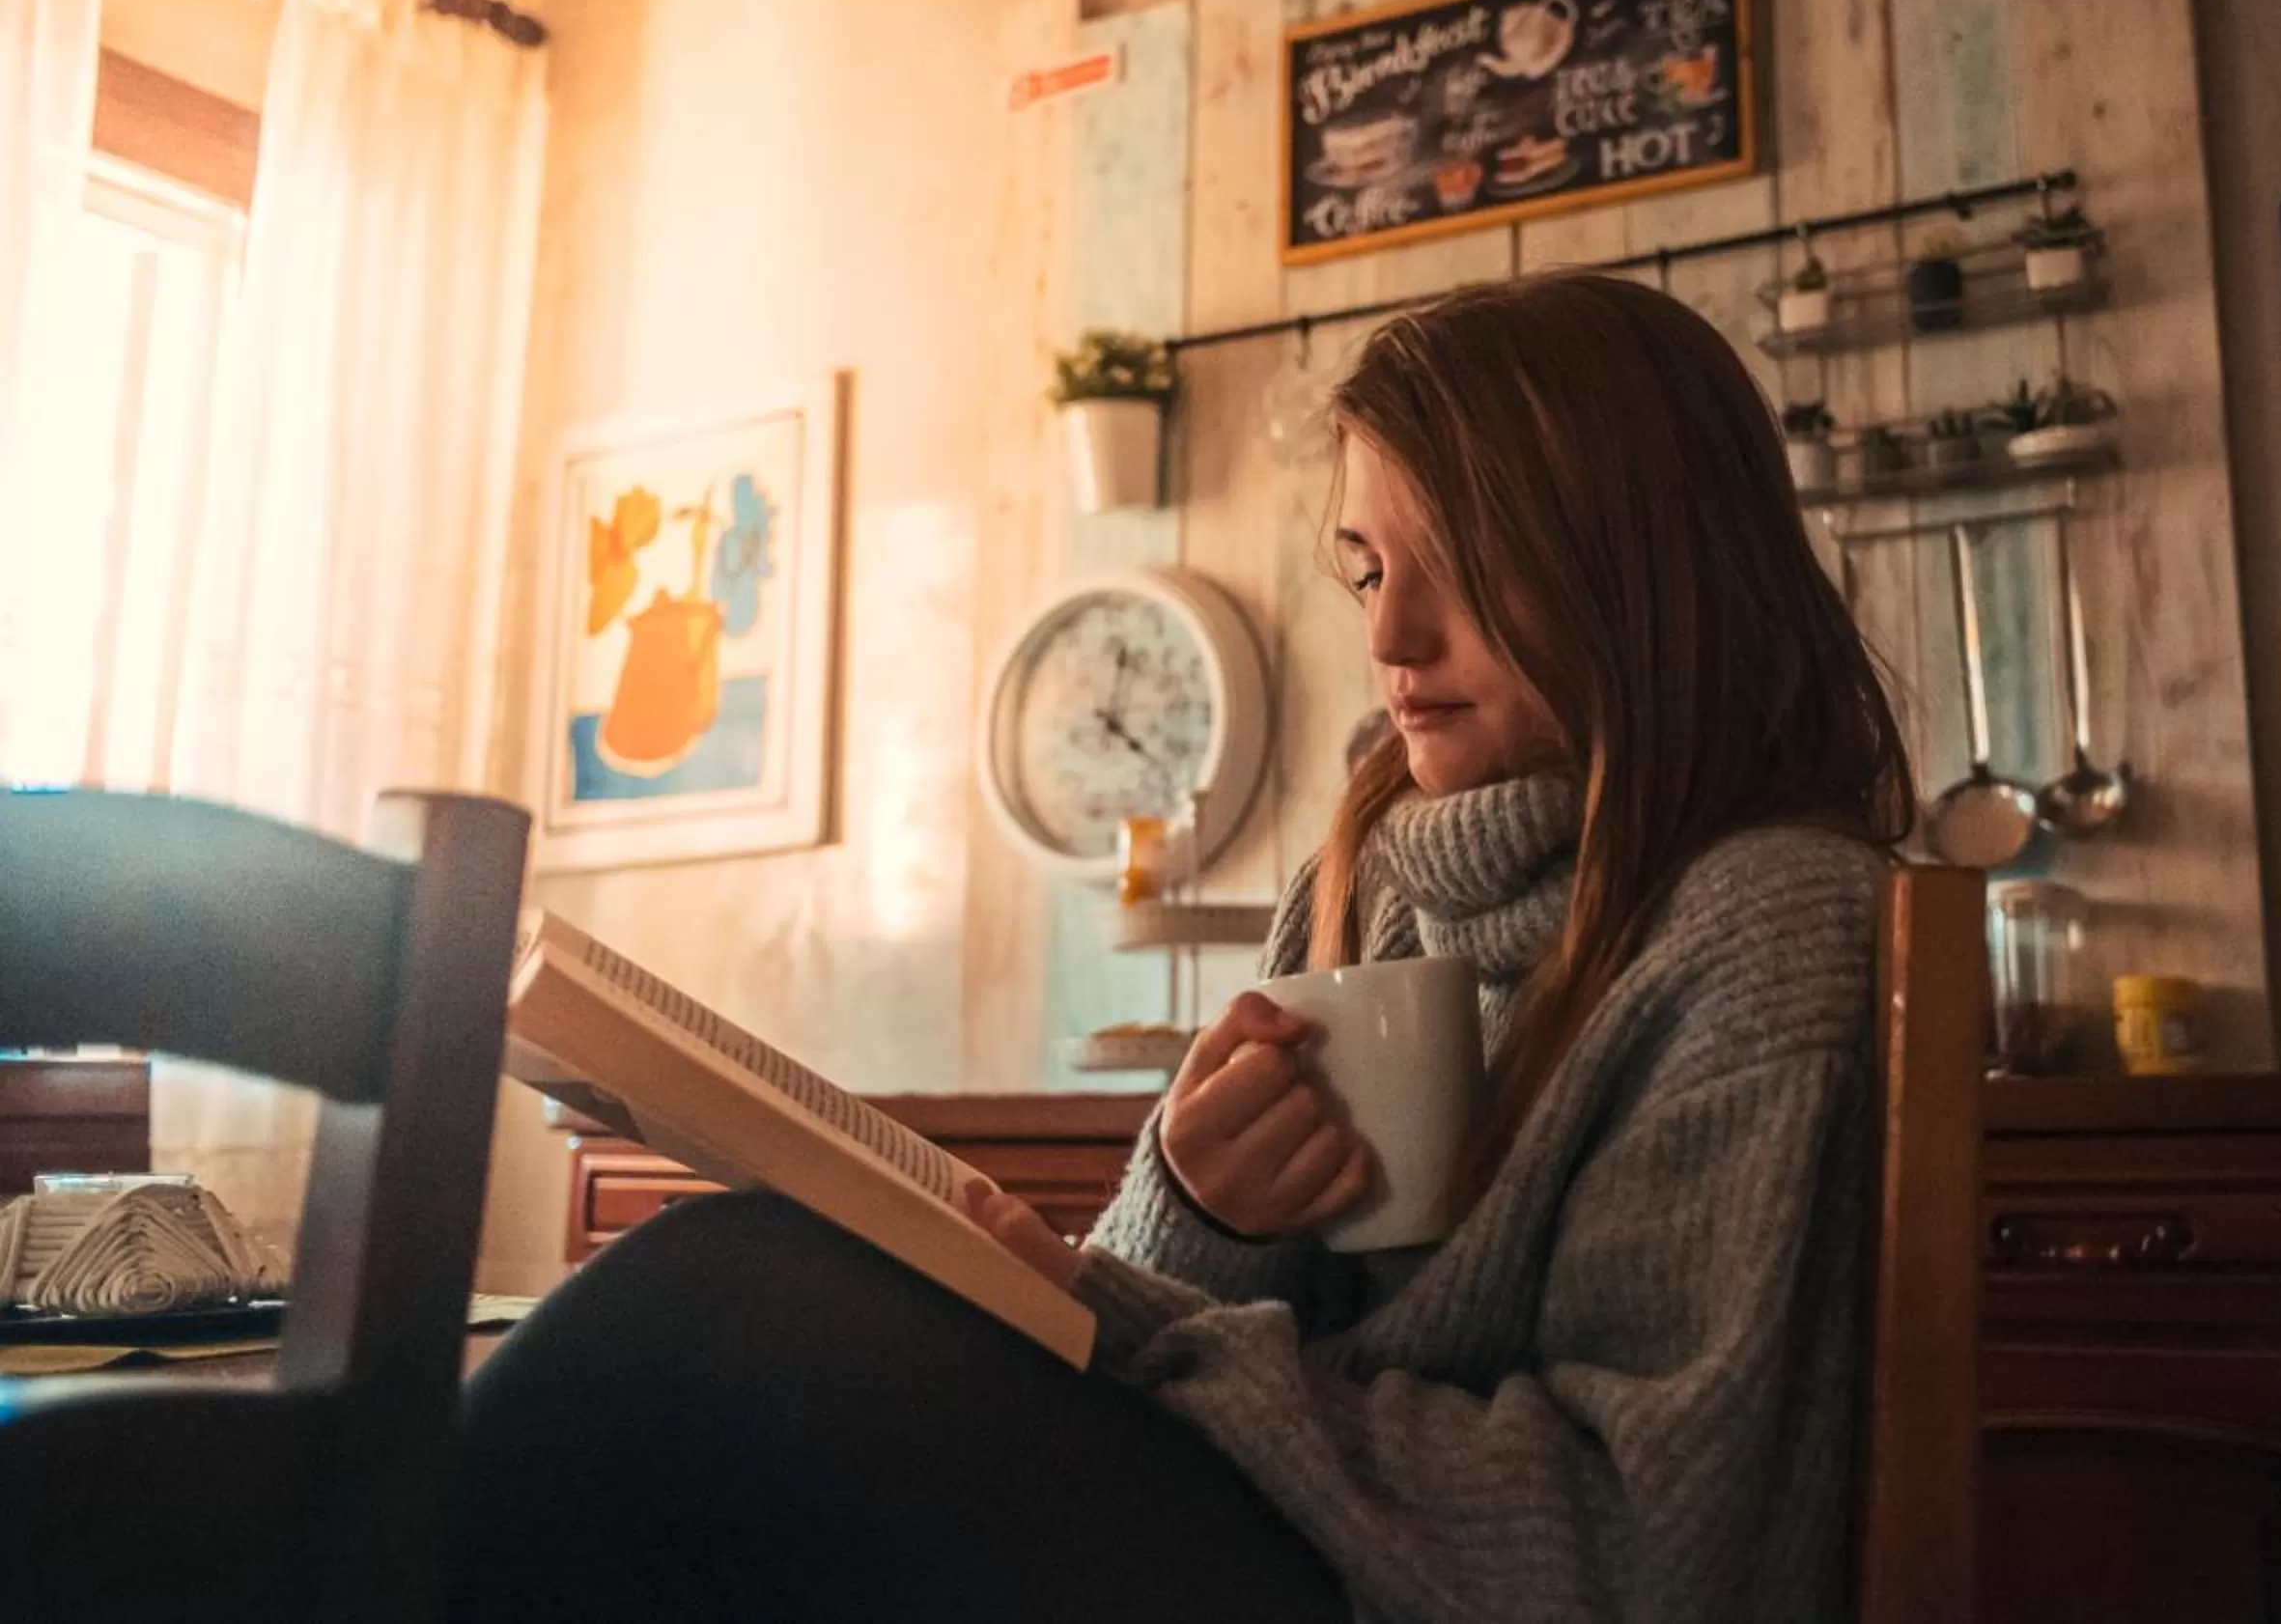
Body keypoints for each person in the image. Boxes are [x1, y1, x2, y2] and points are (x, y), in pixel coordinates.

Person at [452, 272, 1917, 1623]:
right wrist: (1196, 1208)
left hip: (1408, 1595)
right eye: (1364, 570)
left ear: (1645, 565)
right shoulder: (1367, 874)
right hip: (1291, 1544)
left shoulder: (1768, 924)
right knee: (712, 1339)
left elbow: (1646, 1535)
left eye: (1462, 560)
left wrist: (1125, 1310)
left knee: (718, 1314)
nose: (1392, 633)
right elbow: (1175, 1374)